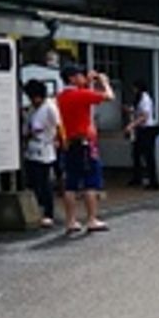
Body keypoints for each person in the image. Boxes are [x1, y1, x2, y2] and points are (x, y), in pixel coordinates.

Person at [56, 63, 113, 236]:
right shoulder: (81, 95)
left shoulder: (60, 97)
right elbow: (109, 97)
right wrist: (104, 82)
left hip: (69, 143)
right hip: (85, 143)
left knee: (71, 184)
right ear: (73, 78)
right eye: (80, 75)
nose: (83, 78)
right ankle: (91, 219)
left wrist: (87, 82)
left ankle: (70, 221)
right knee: (90, 181)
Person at [22, 79, 62, 228]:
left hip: (45, 147)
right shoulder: (32, 109)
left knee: (44, 182)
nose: (33, 100)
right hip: (31, 148)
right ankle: (37, 210)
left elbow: (59, 127)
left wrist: (58, 142)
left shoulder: (50, 107)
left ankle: (48, 213)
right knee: (33, 181)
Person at [125, 78, 159, 189]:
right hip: (141, 129)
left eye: (134, 88)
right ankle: (137, 177)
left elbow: (144, 117)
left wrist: (132, 125)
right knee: (136, 153)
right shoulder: (139, 98)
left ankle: (153, 181)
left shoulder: (145, 99)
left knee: (148, 155)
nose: (133, 90)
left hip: (147, 129)